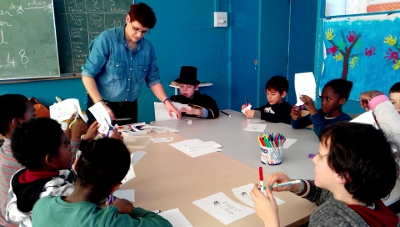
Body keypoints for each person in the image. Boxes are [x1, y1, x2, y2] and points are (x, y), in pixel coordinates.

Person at [251, 122, 399, 226]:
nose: (314, 159)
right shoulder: (366, 201)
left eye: (320, 156)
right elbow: (326, 195)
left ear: (342, 175)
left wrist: (270, 219)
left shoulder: (329, 221)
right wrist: (294, 185)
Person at [31, 138, 172, 227]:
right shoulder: (108, 221)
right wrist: (131, 210)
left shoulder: (41, 205)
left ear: (76, 165)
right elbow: (163, 224)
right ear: (114, 188)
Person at [81, 3, 181, 126]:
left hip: (129, 108)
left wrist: (166, 102)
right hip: (101, 105)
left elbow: (153, 79)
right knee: (100, 144)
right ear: (128, 19)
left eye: (144, 32)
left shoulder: (148, 49)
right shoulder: (107, 40)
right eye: (136, 29)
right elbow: (87, 75)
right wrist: (100, 104)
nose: (139, 35)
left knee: (129, 144)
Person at [6, 118, 77, 227]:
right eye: (66, 144)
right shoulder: (62, 193)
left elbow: (66, 174)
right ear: (50, 160)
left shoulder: (18, 177)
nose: (70, 148)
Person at [0, 94, 36, 227]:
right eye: (34, 117)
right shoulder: (21, 157)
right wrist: (75, 138)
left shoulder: (6, 149)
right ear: (17, 122)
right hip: (16, 223)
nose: (37, 120)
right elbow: (61, 164)